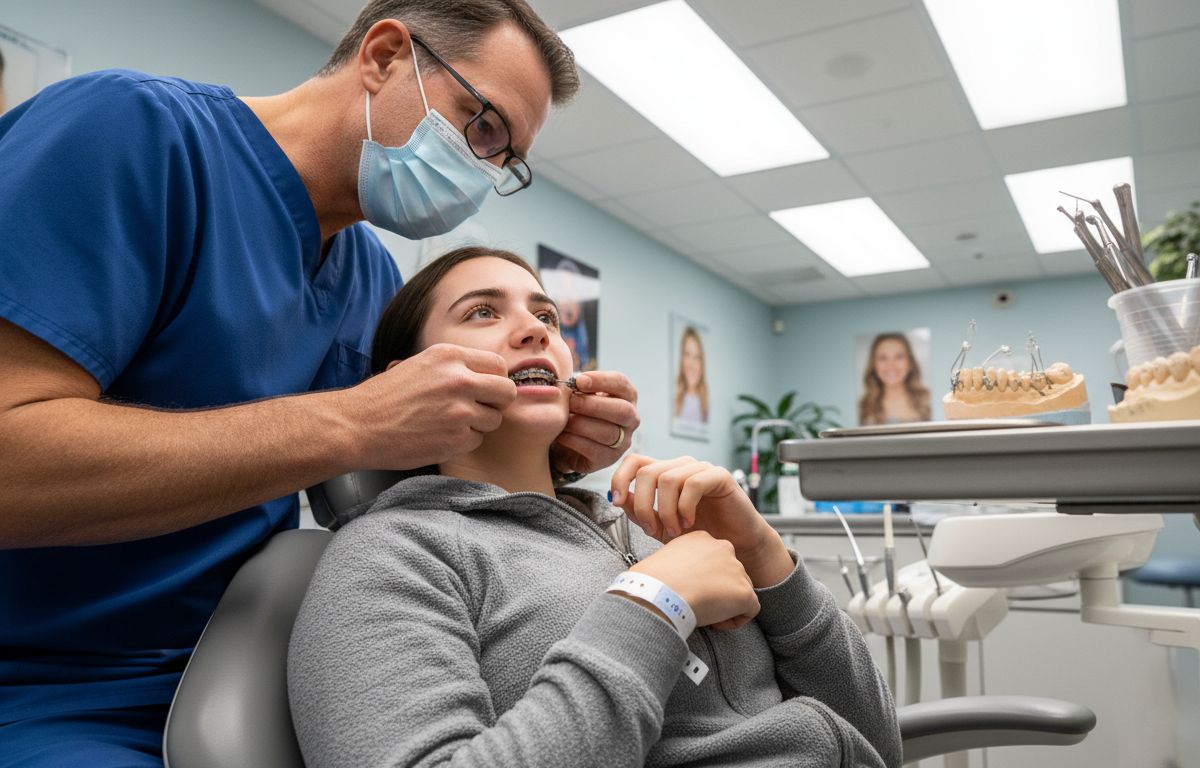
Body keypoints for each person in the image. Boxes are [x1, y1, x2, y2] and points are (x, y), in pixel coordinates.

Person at [0, 2, 638, 764]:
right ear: (384, 55)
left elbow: (413, 482)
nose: (485, 167)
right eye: (484, 126)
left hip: (259, 668)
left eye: (507, 160)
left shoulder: (366, 276)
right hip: (48, 690)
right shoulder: (130, 134)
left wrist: (547, 442)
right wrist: (352, 421)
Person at [287, 246, 900, 767]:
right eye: (482, 312)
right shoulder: (394, 552)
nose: (537, 330)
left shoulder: (653, 527)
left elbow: (876, 743)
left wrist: (764, 553)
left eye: (545, 315)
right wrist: (652, 604)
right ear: (408, 378)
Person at [858, 333, 932, 425]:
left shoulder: (928, 402)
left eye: (899, 357)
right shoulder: (862, 407)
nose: (891, 365)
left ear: (910, 363)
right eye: (883, 358)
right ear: (873, 364)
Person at [673, 325, 708, 424]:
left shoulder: (705, 405)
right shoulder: (675, 399)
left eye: (696, 357)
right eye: (687, 355)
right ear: (681, 359)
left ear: (702, 362)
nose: (691, 364)